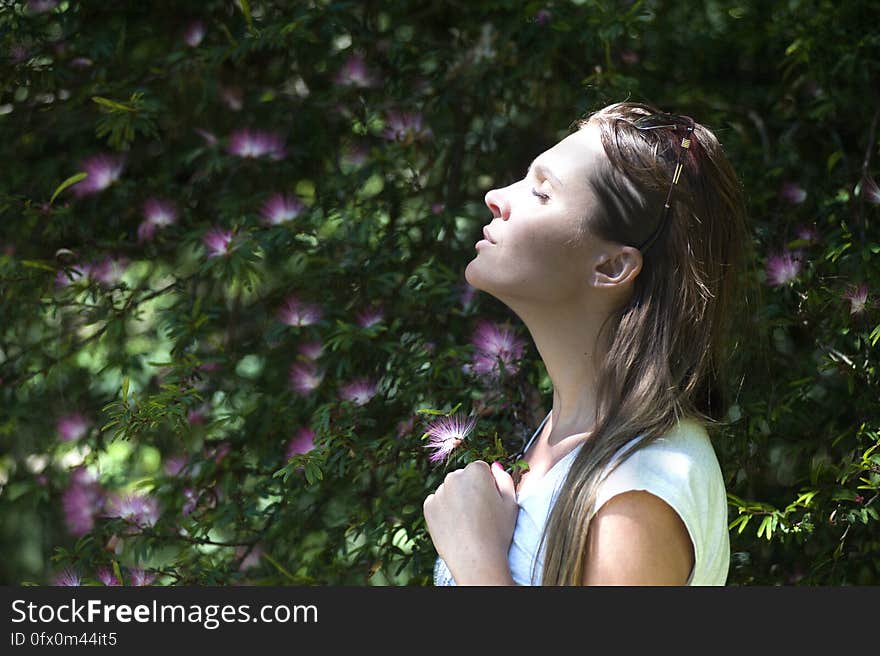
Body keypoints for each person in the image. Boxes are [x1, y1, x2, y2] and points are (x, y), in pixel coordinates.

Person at [423, 101, 754, 586]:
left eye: (541, 193)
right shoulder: (567, 438)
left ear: (612, 268)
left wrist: (476, 561)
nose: (496, 195)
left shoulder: (639, 491)